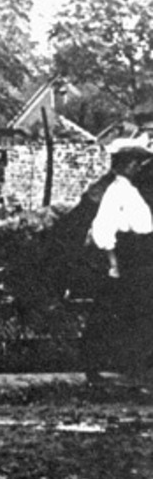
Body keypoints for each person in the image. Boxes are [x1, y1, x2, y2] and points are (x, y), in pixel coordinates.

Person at [82, 138, 153, 383]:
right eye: (134, 163)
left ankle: (134, 367)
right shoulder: (115, 191)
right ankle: (93, 367)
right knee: (108, 311)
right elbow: (103, 229)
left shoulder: (131, 190)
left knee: (137, 312)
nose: (137, 167)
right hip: (125, 255)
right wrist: (113, 264)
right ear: (124, 165)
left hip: (140, 253)